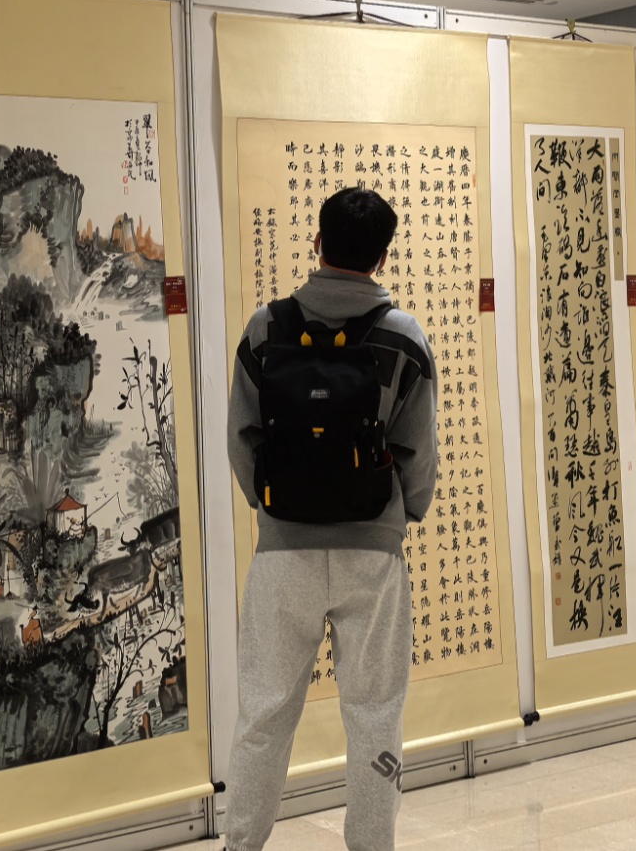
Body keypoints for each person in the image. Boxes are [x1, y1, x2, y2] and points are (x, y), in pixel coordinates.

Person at [224, 186, 438, 851]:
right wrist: (401, 513)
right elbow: (418, 450)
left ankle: (240, 844)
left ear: (316, 242)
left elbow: (242, 437)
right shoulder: (403, 336)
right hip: (371, 553)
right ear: (383, 255)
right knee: (374, 712)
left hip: (282, 552)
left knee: (264, 711)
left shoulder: (265, 327)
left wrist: (275, 507)